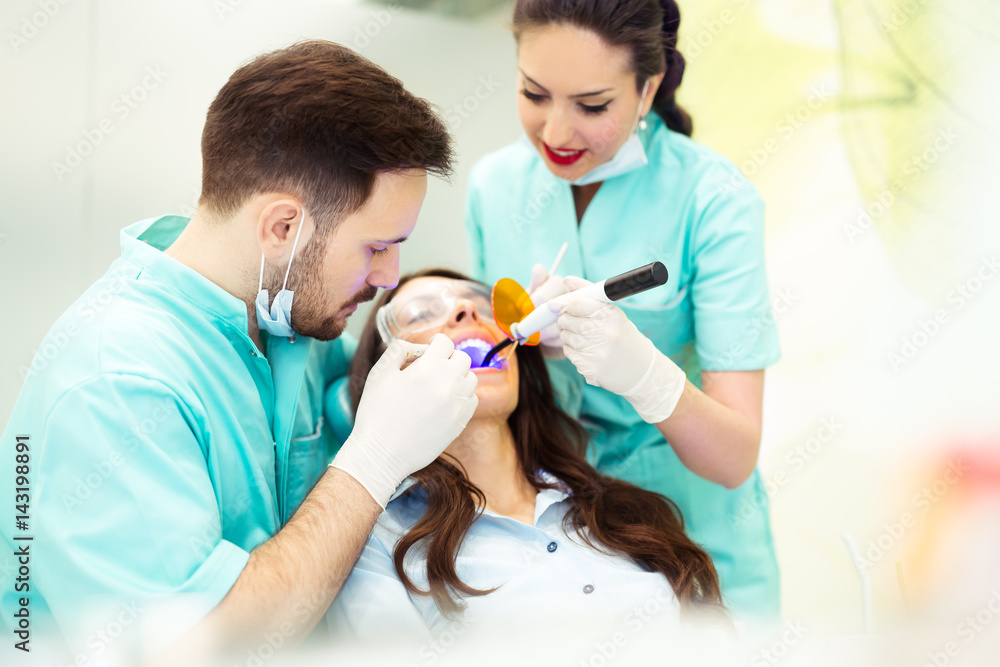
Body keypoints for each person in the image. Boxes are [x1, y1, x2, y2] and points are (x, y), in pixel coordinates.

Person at [0, 41, 478, 664]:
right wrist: (372, 462)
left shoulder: (283, 317)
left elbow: (345, 404)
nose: (390, 275)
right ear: (283, 228)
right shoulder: (114, 383)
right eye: (377, 246)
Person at [464, 0, 782, 623]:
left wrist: (646, 376)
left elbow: (735, 456)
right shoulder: (493, 187)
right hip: (558, 553)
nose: (555, 133)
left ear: (649, 88)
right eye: (534, 93)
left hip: (700, 551)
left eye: (592, 106)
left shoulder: (714, 202)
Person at [327, 269, 727, 649]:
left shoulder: (620, 515)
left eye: (482, 306)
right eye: (422, 312)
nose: (466, 312)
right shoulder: (373, 549)